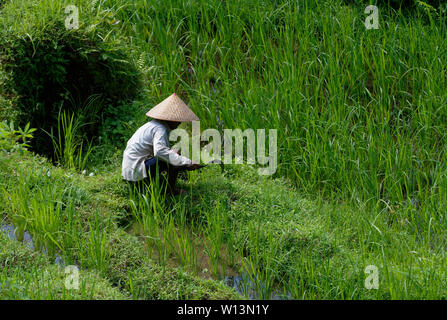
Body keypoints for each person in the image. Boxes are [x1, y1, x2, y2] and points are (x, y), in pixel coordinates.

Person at [121, 93, 202, 195]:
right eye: (177, 120)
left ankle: (161, 184)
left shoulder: (153, 125)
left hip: (130, 170)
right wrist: (187, 162)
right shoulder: (160, 129)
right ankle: (169, 190)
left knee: (174, 153)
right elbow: (160, 152)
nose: (179, 123)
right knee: (173, 159)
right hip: (136, 171)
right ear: (170, 119)